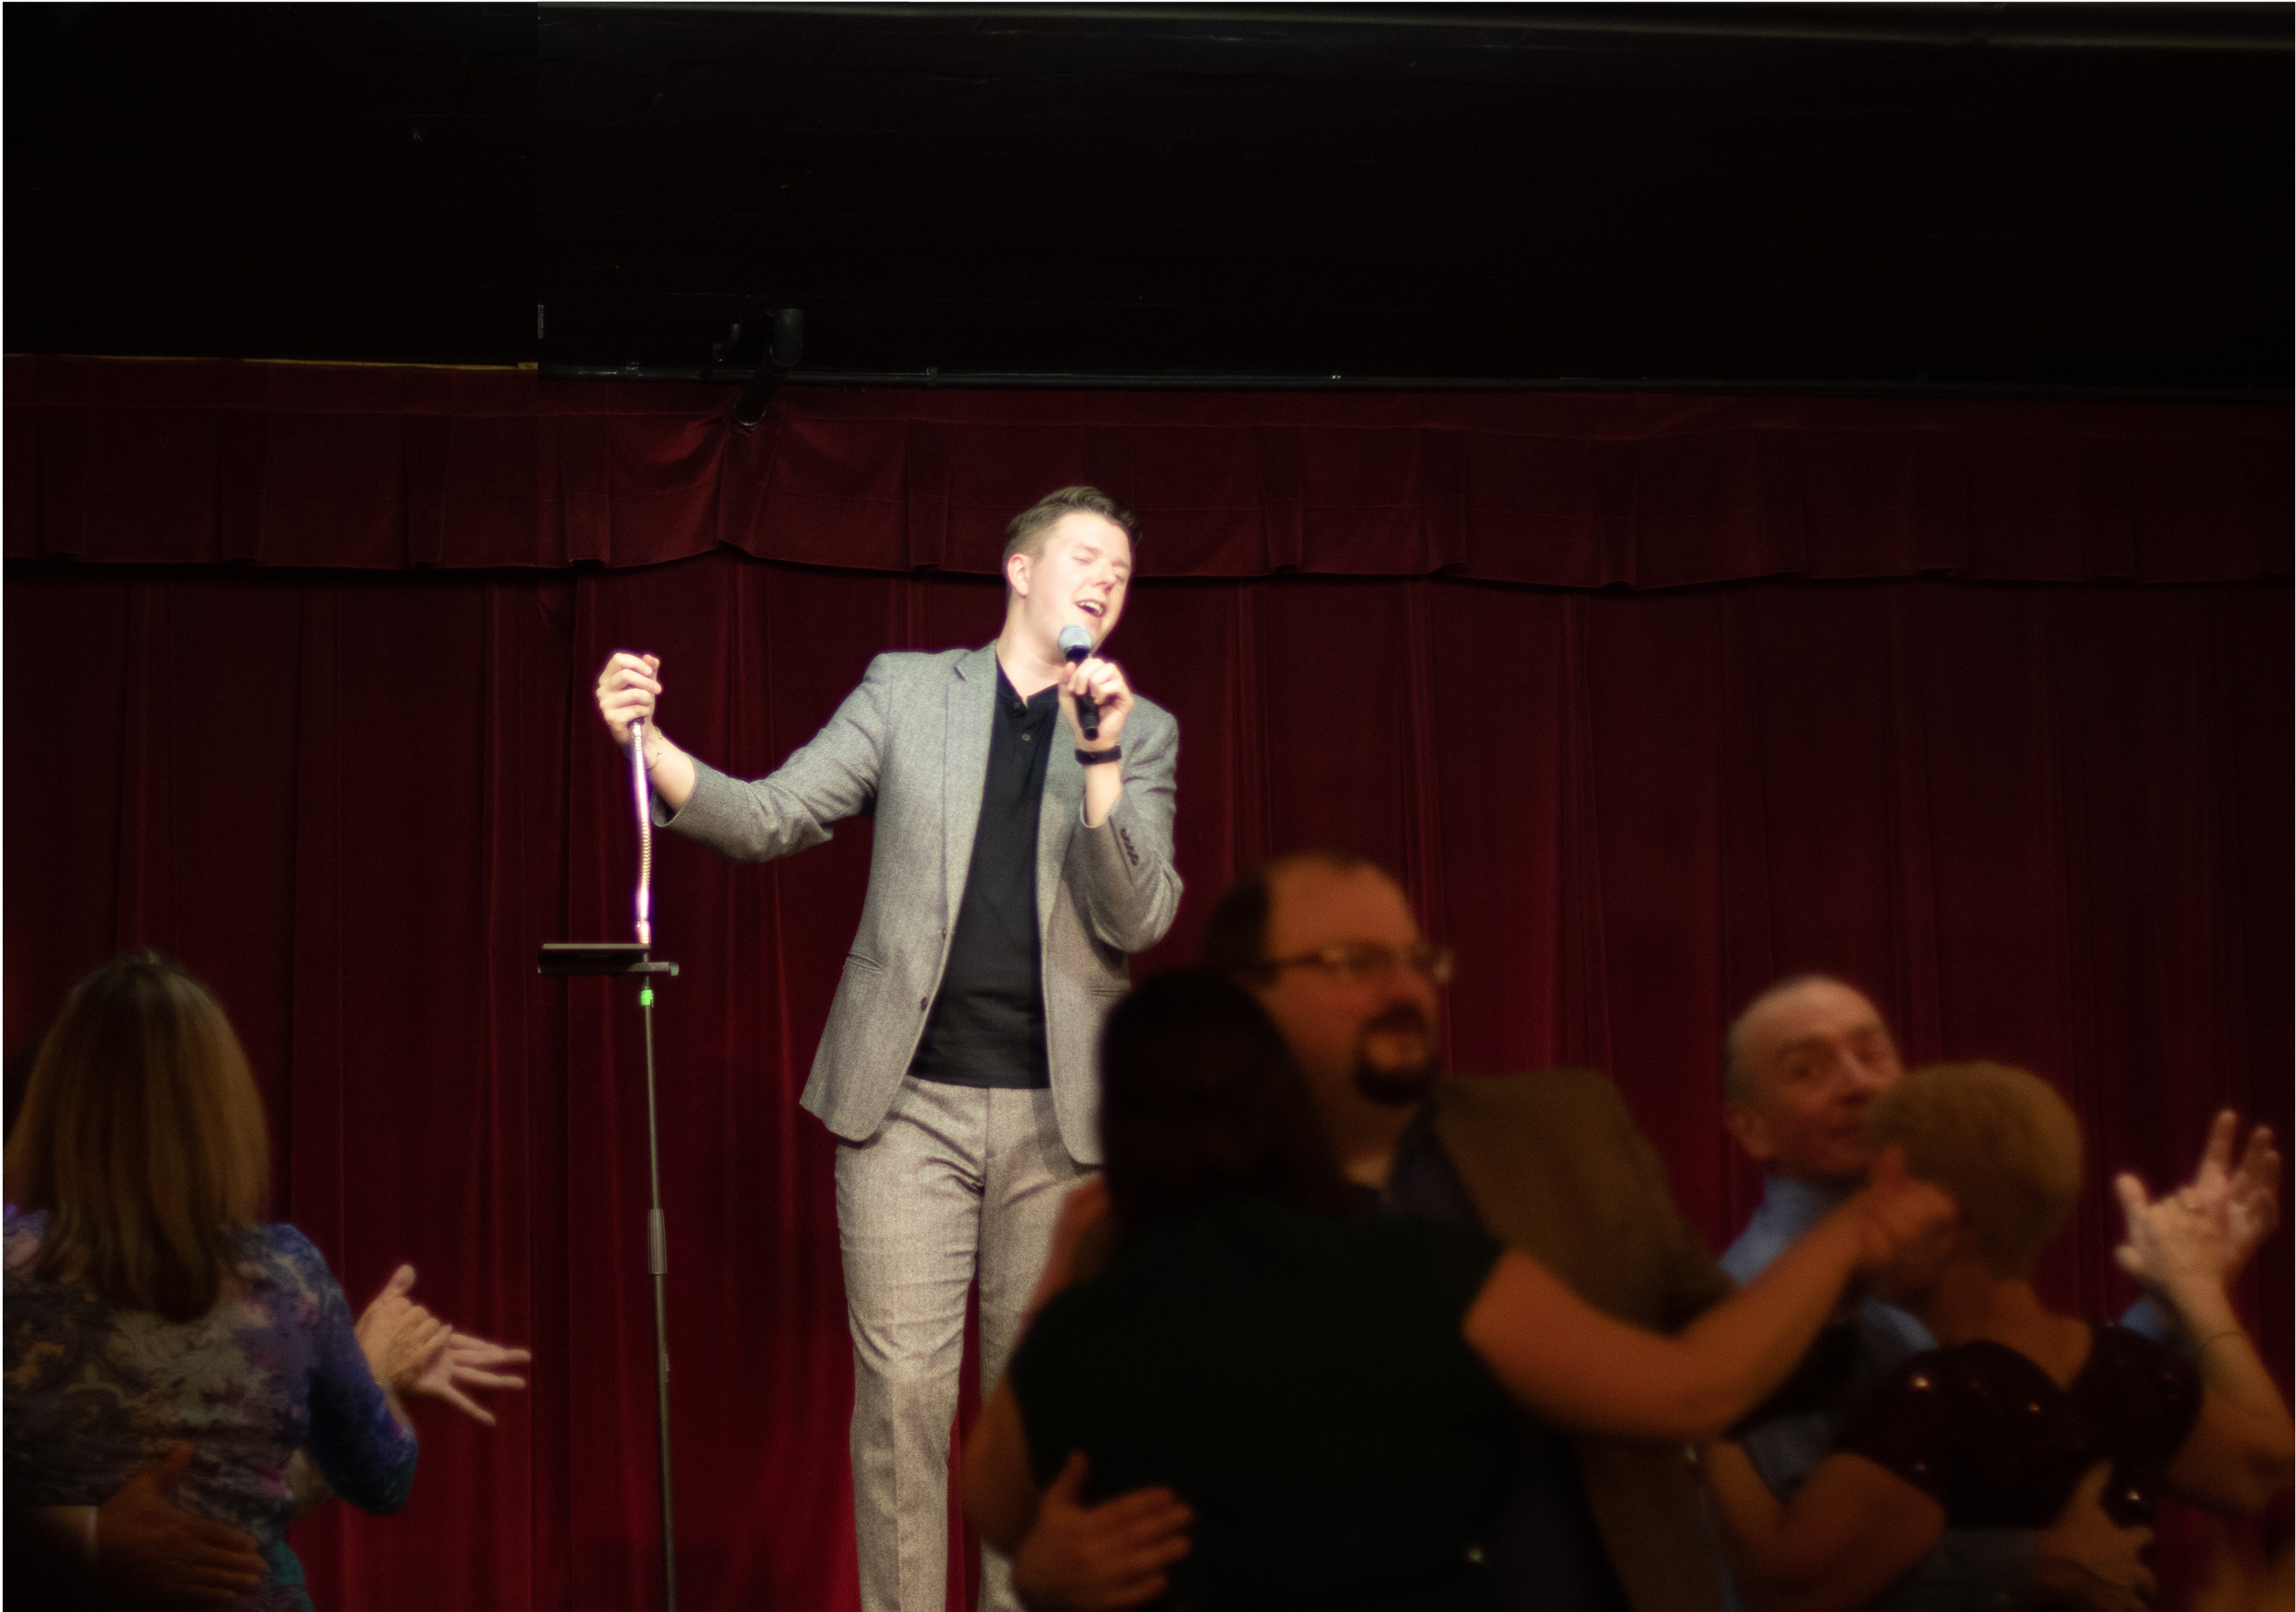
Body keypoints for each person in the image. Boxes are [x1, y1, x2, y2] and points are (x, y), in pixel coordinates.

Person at [594, 485, 1180, 1612]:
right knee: (905, 1400)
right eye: (1085, 558)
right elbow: (773, 817)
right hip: (904, 1109)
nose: (1106, 581)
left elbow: (1136, 918)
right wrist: (649, 744)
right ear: (1020, 570)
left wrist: (1100, 760)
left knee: (1033, 1420)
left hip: (1064, 1134)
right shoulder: (909, 692)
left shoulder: (1136, 730)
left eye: (1121, 570)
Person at [963, 971, 1955, 1612]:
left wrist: (1061, 1267)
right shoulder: (1425, 1271)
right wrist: (1855, 1237)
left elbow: (994, 1509)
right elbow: (1690, 1393)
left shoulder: (1091, 1327)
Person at [1718, 975, 2281, 1612]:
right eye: (1807, 1069)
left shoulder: (1935, 1293)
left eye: (1873, 1054)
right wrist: (2023, 1560)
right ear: (1752, 1128)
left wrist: (2181, 1293)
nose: (1860, 1085)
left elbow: (2031, 1404)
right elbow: (1790, 1584)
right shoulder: (1759, 1303)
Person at [0, 955, 458, 1608]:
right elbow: (384, 1476)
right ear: (222, 1108)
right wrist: (380, 1366)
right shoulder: (289, 1276)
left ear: (57, 1099)